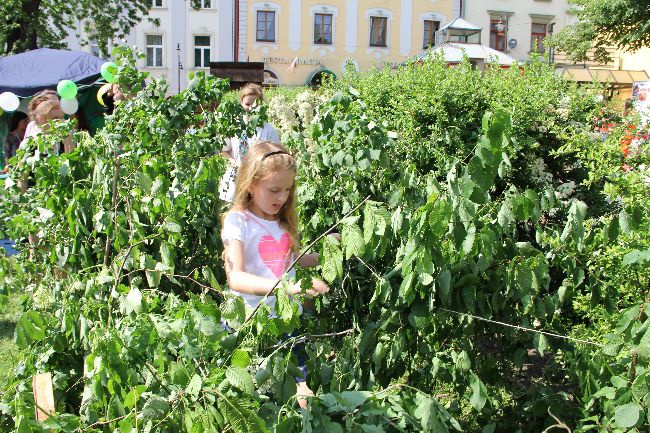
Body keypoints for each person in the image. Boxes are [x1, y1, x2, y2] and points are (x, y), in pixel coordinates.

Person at [221, 141, 329, 408]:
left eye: (288, 189)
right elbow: (236, 277)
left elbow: (290, 262)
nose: (282, 197)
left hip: (285, 320)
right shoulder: (239, 221)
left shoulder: (281, 223)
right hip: (250, 323)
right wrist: (287, 288)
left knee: (299, 386)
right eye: (274, 189)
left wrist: (328, 252)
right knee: (257, 395)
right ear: (250, 185)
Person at [219, 83, 280, 202]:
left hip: (259, 180)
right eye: (247, 104)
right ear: (241, 103)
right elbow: (224, 150)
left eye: (255, 104)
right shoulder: (234, 126)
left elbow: (277, 154)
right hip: (235, 179)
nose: (251, 108)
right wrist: (233, 161)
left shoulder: (267, 129)